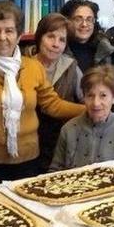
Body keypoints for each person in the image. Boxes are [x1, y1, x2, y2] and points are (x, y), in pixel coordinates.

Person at [0, 1, 85, 184]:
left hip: (30, 159)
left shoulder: (33, 67)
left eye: (9, 31)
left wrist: (90, 110)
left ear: (19, 35)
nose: (2, 37)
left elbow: (52, 105)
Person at [22, 13, 84, 167]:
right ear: (39, 37)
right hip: (27, 143)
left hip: (62, 142)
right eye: (50, 37)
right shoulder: (22, 65)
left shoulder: (72, 68)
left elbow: (87, 100)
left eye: (62, 40)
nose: (56, 44)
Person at [50, 65, 114, 171]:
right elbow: (55, 172)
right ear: (84, 96)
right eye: (90, 95)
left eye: (103, 95)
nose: (96, 103)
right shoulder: (68, 129)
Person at [59, 0, 114, 72]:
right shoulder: (58, 49)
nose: (84, 24)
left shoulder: (106, 49)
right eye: (78, 19)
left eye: (89, 19)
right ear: (67, 21)